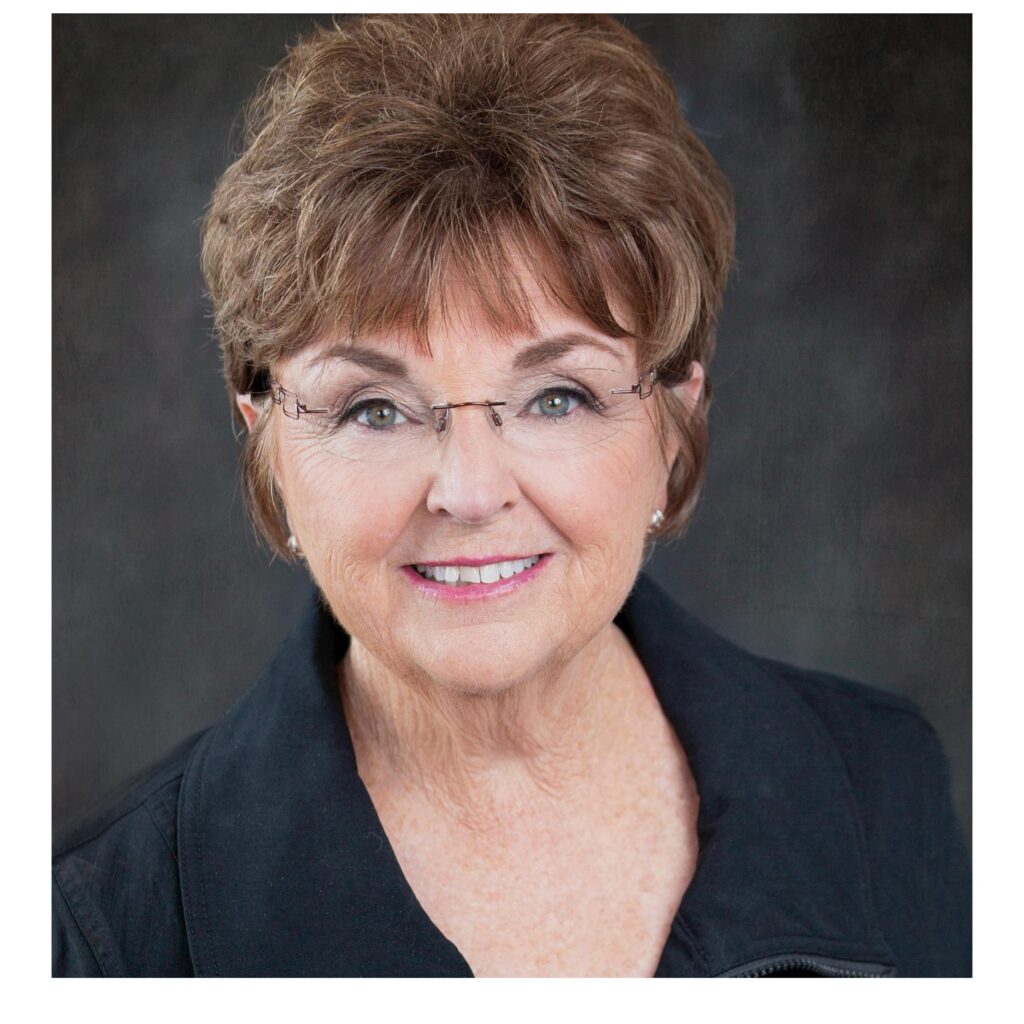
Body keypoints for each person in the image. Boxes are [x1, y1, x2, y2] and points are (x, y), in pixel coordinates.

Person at [52, 13, 970, 977]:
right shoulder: (102, 934)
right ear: (266, 438)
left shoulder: (883, 786)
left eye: (557, 396)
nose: (470, 490)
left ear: (673, 416)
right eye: (375, 408)